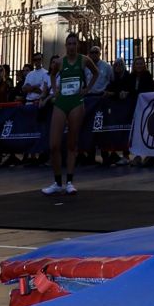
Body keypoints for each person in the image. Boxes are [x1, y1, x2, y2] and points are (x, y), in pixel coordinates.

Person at [41, 32, 98, 196]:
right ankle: (57, 182)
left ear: (77, 45)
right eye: (69, 44)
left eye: (74, 43)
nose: (72, 46)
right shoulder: (59, 62)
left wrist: (87, 89)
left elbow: (95, 73)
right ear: (66, 46)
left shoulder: (84, 60)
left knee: (72, 144)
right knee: (54, 145)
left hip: (76, 103)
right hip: (61, 102)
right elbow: (51, 75)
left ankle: (70, 182)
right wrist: (55, 90)